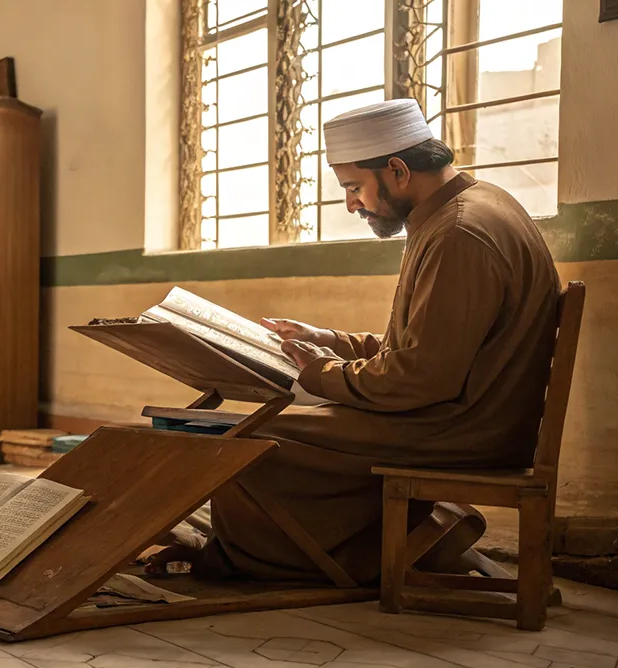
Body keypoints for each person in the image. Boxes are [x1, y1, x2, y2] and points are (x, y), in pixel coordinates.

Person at [147, 99, 560, 584]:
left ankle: (295, 562)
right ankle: (403, 543)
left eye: (353, 187)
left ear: (399, 170)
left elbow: (420, 377)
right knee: (273, 429)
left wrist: (318, 373)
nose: (351, 204)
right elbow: (416, 347)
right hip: (455, 415)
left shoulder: (459, 233)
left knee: (246, 443)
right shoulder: (467, 209)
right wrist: (326, 342)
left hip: (460, 429)